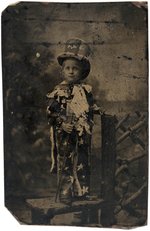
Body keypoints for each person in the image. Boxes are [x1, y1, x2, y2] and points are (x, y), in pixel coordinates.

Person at [46, 38, 101, 203]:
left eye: (75, 69)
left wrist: (96, 109)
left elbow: (90, 106)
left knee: (83, 160)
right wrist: (62, 123)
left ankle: (82, 191)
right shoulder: (58, 92)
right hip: (65, 133)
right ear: (62, 71)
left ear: (82, 72)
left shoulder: (85, 90)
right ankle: (65, 192)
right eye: (67, 68)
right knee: (66, 160)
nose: (71, 72)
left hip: (82, 132)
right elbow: (51, 112)